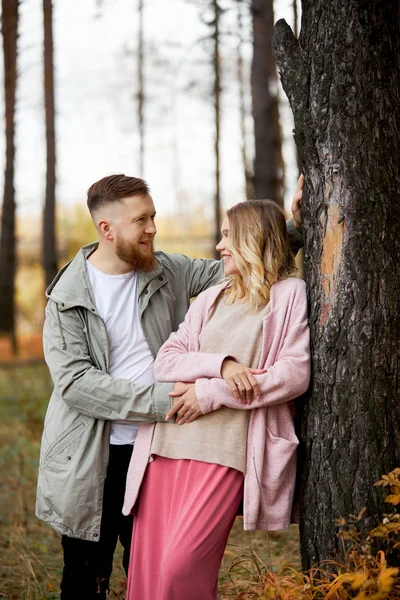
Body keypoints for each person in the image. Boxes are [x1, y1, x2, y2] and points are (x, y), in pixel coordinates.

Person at [36, 173, 304, 600]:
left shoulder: (167, 270)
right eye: (141, 220)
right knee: (86, 578)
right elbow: (76, 384)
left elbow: (241, 261)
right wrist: (170, 400)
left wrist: (296, 224)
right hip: (91, 455)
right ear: (107, 229)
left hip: (156, 449)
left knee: (149, 570)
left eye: (153, 216)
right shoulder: (67, 298)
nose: (153, 229)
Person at [123, 198, 311, 600]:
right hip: (166, 446)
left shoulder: (289, 294)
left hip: (225, 453)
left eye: (228, 236)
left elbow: (293, 374)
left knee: (179, 571)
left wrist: (211, 391)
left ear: (252, 239)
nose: (219, 246)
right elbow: (167, 361)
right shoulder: (213, 298)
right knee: (148, 576)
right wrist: (223, 365)